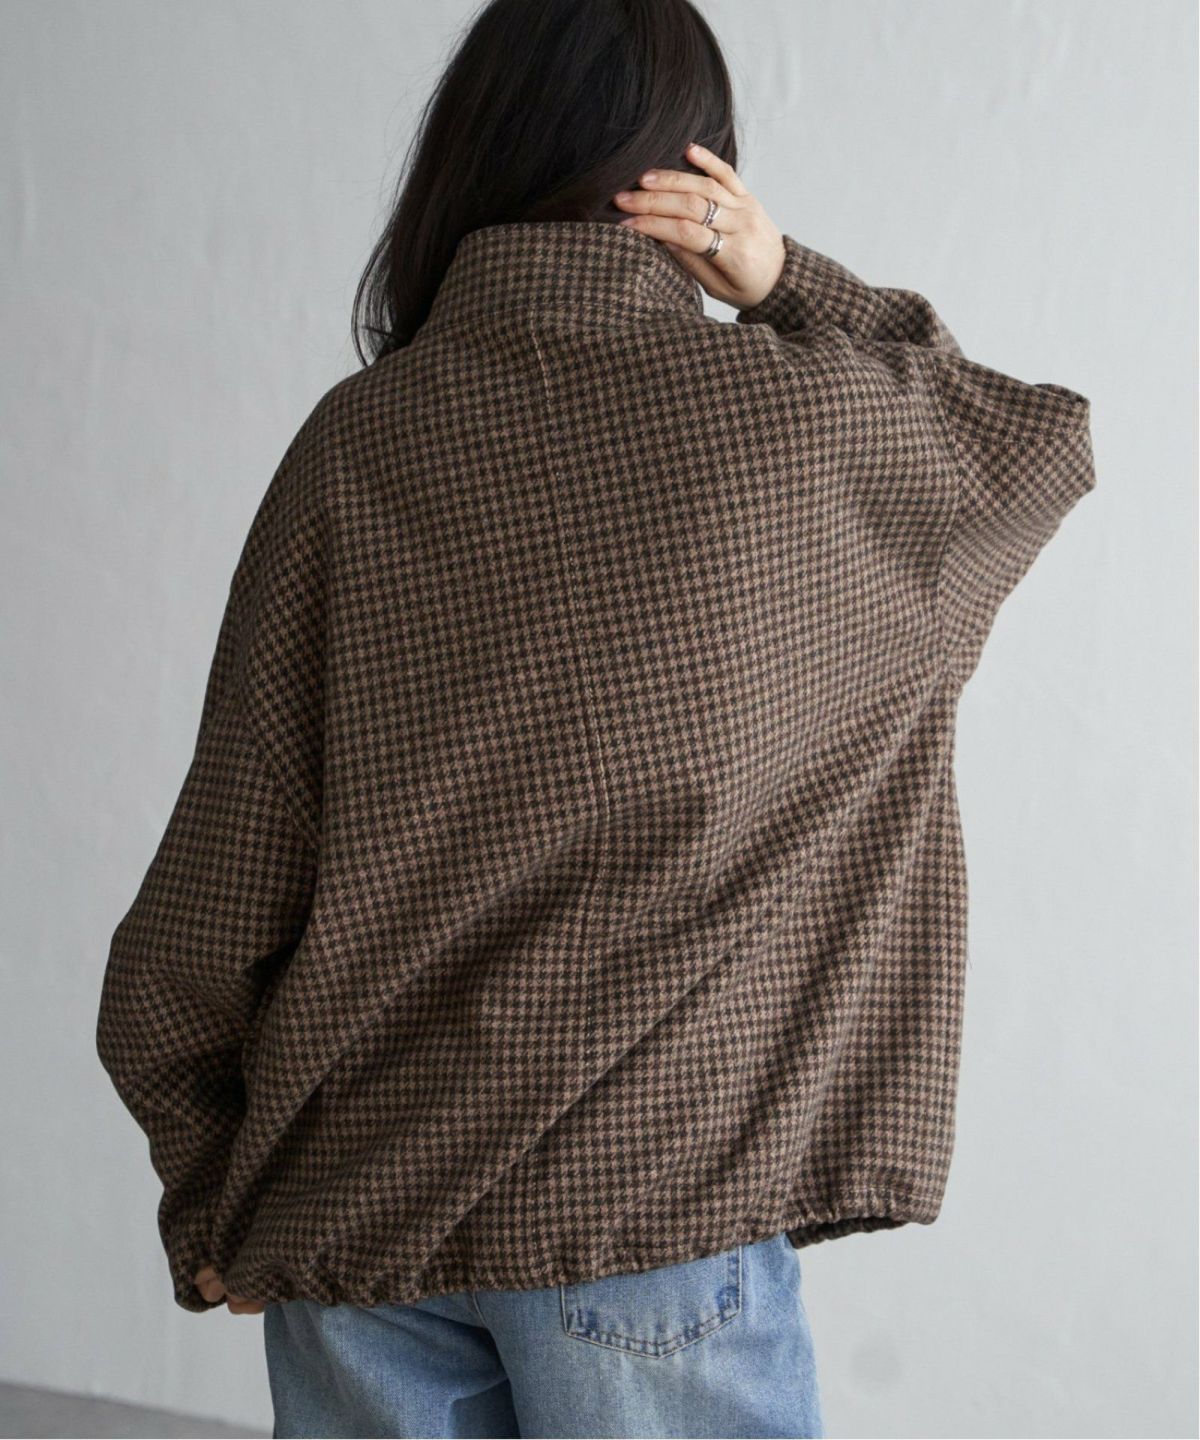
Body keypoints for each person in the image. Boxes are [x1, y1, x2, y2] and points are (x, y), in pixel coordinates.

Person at [94, 0, 1097, 1436]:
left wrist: (209, 1182)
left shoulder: (355, 442)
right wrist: (788, 280)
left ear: (470, 154)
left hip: (357, 1212)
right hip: (647, 1206)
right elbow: (1030, 443)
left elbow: (226, 869)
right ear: (698, 173)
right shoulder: (804, 435)